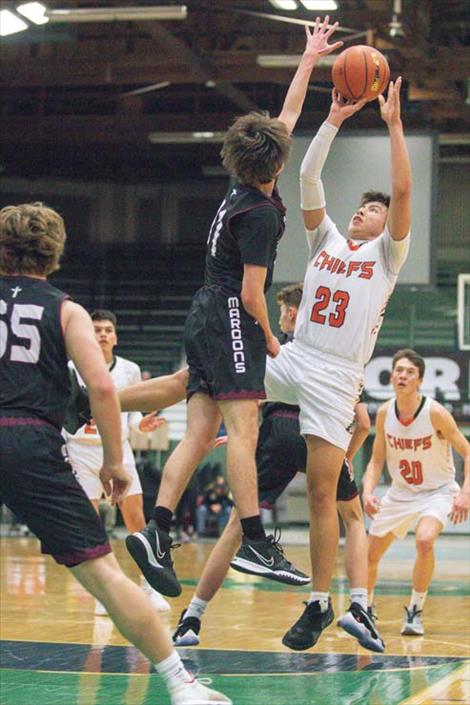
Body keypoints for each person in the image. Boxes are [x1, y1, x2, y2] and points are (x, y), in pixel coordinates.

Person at [124, 17, 344, 598]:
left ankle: (156, 529)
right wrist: (271, 338)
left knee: (199, 432)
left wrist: (308, 59)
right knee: (244, 427)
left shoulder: (242, 184)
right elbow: (252, 293)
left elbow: (286, 119)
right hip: (229, 313)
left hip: (203, 310)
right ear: (277, 163)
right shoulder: (264, 213)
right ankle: (253, 537)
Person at [0, 202, 232, 705]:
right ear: (54, 254)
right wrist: (112, 459)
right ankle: (179, 683)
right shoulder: (64, 309)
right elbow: (102, 390)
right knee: (103, 574)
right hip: (28, 441)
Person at [235, 75, 412, 651]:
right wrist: (334, 118)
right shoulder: (327, 240)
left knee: (319, 493)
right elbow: (308, 177)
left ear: (386, 227)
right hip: (296, 354)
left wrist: (392, 126)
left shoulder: (388, 258)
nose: (363, 212)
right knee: (211, 373)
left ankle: (320, 603)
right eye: (361, 206)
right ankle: (90, 403)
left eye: (372, 210)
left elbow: (403, 193)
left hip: (338, 376)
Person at [173, 283, 384, 652]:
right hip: (319, 432)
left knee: (238, 525)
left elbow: (247, 405)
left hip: (275, 431)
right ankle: (359, 606)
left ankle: (192, 617)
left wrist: (240, 439)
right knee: (351, 518)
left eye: (288, 308)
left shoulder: (271, 353)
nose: (286, 314)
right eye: (285, 308)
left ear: (295, 314)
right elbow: (364, 423)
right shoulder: (333, 359)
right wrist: (344, 458)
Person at [63, 308, 170, 613]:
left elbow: (133, 415)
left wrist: (140, 426)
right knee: (90, 524)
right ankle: (105, 592)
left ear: (116, 337)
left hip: (118, 449)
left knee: (136, 519)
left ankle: (149, 588)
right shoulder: (71, 368)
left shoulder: (129, 370)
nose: (102, 334)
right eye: (96, 329)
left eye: (108, 330)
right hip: (80, 451)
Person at [363, 348, 470, 636]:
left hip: (438, 491)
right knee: (369, 555)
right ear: (392, 376)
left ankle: (415, 610)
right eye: (398, 370)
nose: (402, 375)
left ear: (419, 380)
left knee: (424, 541)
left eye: (409, 371)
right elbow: (375, 460)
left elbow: (467, 451)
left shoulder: (435, 413)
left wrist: (465, 494)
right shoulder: (385, 412)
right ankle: (366, 609)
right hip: (400, 492)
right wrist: (368, 492)